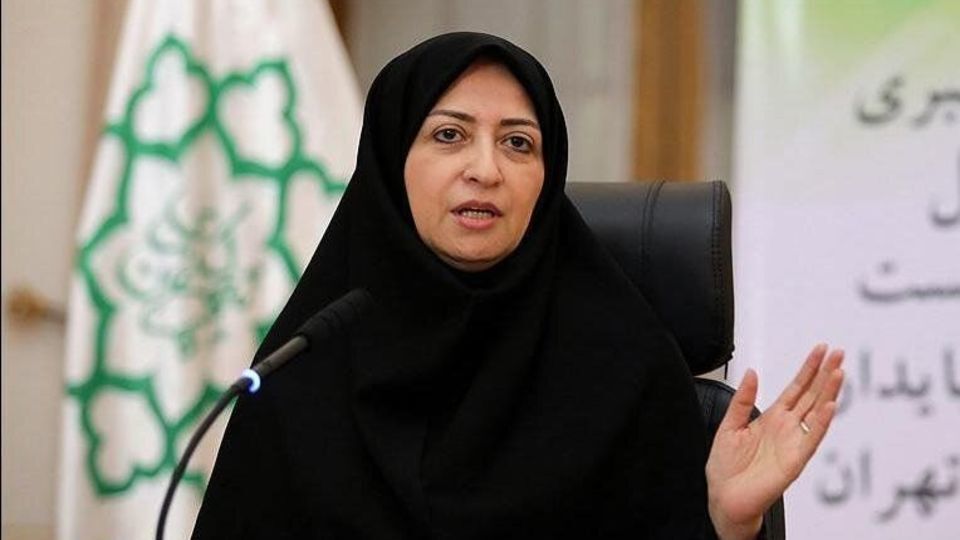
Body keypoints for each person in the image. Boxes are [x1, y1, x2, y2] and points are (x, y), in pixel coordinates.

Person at [193, 32, 843, 539]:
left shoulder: (624, 371)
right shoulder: (304, 372)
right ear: (390, 164)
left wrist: (726, 526)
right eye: (450, 135)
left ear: (546, 174)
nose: (486, 169)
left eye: (518, 144)